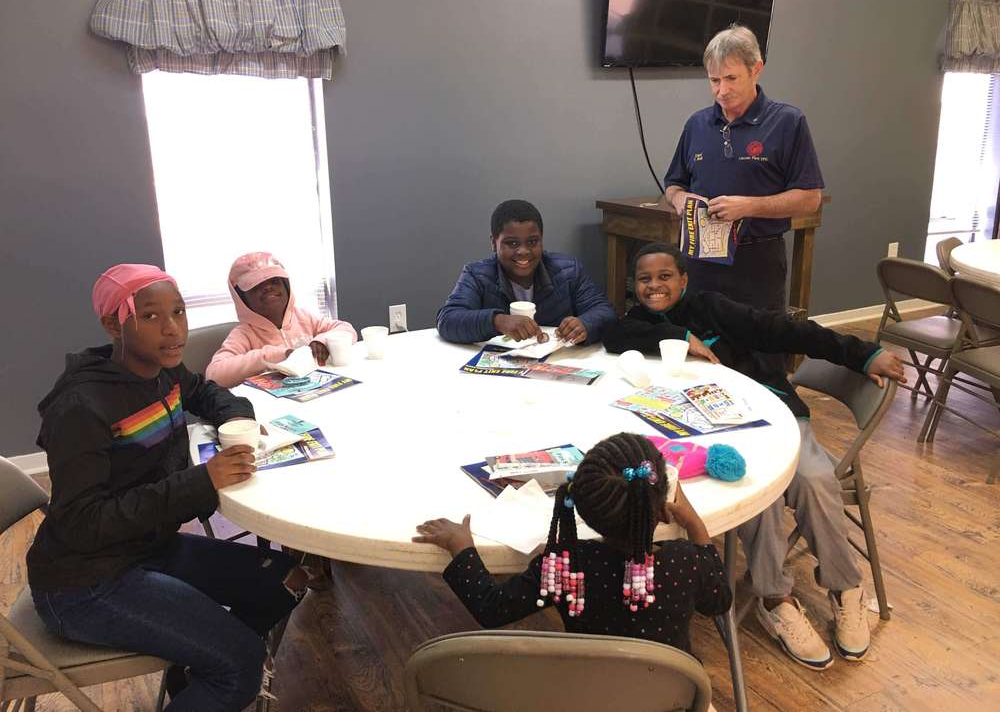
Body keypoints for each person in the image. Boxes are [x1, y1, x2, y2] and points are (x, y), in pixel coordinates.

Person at [604, 242, 908, 670]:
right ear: (634, 287)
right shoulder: (635, 322)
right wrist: (676, 336)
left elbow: (787, 330)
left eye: (665, 276)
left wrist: (863, 353)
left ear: (685, 279)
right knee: (752, 492)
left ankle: (846, 587)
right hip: (713, 434)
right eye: (645, 279)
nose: (655, 286)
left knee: (815, 479)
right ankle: (774, 597)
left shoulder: (712, 308)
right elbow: (614, 335)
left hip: (774, 416)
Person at [27, 264, 308, 711]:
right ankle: (219, 674)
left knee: (286, 580)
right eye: (153, 316)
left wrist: (238, 419)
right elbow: (83, 522)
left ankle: (194, 678)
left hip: (146, 547)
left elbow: (210, 392)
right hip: (85, 583)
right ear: (113, 324)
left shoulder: (164, 372)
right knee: (241, 664)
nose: (174, 328)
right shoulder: (81, 406)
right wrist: (201, 481)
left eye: (179, 312)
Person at [413, 432, 731, 656]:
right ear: (662, 510)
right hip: (669, 696)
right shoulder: (686, 562)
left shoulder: (566, 566)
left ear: (581, 507)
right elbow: (718, 602)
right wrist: (694, 524)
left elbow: (491, 608)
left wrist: (462, 548)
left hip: (588, 695)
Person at [661, 24, 824, 315]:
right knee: (701, 347)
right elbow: (673, 184)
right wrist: (678, 199)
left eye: (731, 78)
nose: (721, 91)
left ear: (756, 69)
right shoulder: (696, 124)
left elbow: (810, 199)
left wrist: (749, 206)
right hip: (700, 260)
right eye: (714, 80)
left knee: (759, 350)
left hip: (758, 260)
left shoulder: (788, 122)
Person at [436, 199, 616, 345]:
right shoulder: (477, 274)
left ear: (541, 240)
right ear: (494, 242)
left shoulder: (568, 270)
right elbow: (447, 320)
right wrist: (498, 321)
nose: (523, 251)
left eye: (532, 242)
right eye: (512, 243)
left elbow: (604, 311)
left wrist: (585, 324)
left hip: (557, 363)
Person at [206, 251, 356, 388]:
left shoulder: (304, 318)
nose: (268, 288)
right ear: (241, 298)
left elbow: (346, 329)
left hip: (319, 392)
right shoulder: (244, 334)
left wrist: (322, 341)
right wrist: (271, 356)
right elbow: (214, 375)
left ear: (286, 287)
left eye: (275, 281)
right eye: (256, 285)